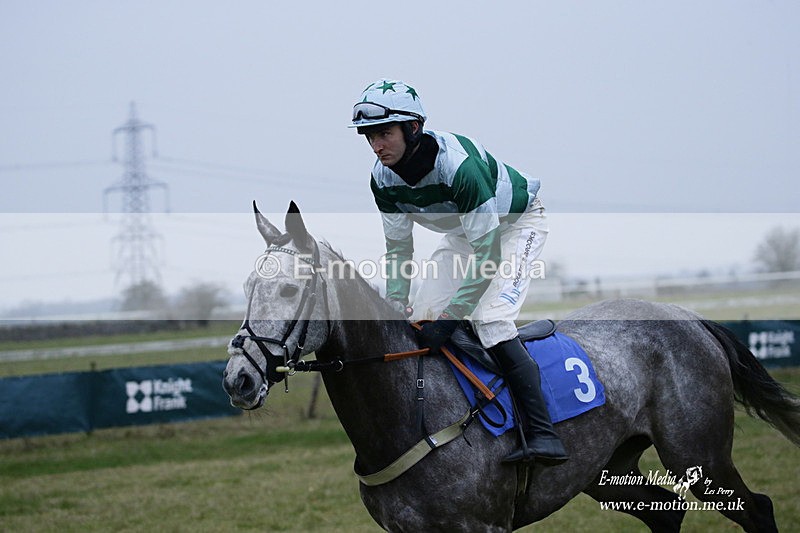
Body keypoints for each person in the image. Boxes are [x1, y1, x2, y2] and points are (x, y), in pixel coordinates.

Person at [350, 78, 568, 465]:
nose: (377, 145)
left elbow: (488, 253)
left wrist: (452, 318)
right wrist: (397, 301)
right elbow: (398, 248)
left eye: (385, 133)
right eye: (369, 136)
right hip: (467, 234)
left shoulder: (459, 168)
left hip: (517, 225)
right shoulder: (381, 179)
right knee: (419, 317)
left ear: (413, 128)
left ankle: (543, 433)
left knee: (490, 319)